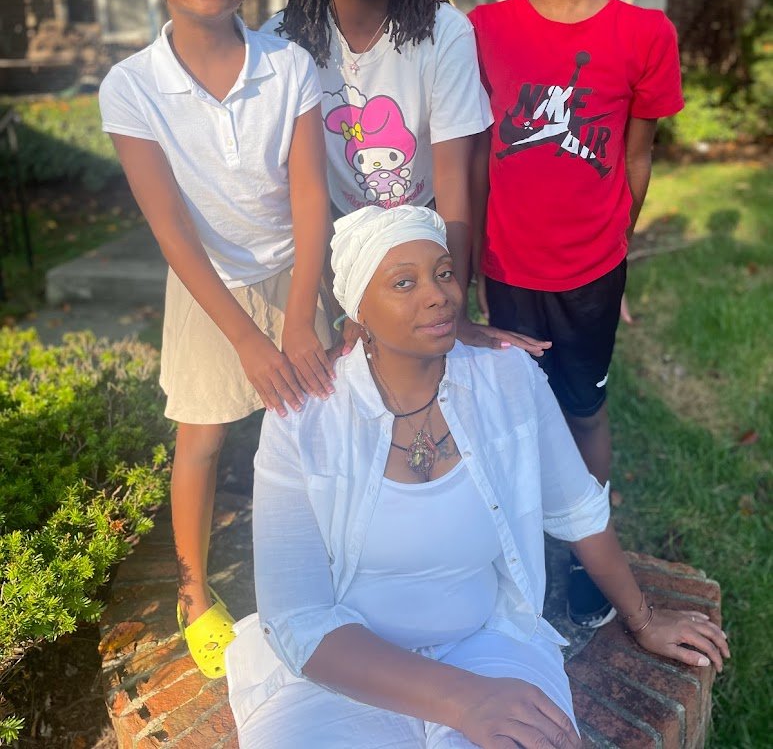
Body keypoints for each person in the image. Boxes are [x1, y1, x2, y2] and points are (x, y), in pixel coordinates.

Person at [226, 205, 728, 749]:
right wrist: (463, 700)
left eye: (443, 273)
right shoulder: (305, 421)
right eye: (404, 282)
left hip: (488, 643)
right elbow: (297, 617)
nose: (438, 294)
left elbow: (577, 509)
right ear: (358, 312)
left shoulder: (505, 378)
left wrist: (644, 618)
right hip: (350, 668)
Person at [98, 0, 335, 679]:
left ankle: (332, 568)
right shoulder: (131, 87)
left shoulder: (289, 66)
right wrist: (243, 338)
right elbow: (171, 227)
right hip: (205, 284)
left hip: (297, 271)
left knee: (319, 424)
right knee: (200, 440)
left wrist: (298, 320)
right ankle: (195, 591)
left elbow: (311, 197)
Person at [468, 0, 685, 629]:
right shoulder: (479, 31)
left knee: (583, 414)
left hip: (592, 276)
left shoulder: (644, 35)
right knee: (509, 421)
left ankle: (588, 557)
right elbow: (467, 157)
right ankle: (518, 555)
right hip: (504, 270)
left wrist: (612, 247)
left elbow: (637, 153)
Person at [261, 0, 548, 357]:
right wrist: (342, 297)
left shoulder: (444, 32)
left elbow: (454, 178)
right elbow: (293, 188)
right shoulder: (282, 40)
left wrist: (456, 308)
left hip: (423, 239)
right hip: (332, 243)